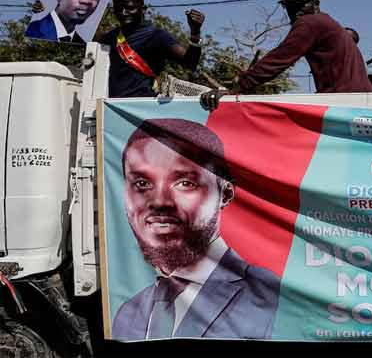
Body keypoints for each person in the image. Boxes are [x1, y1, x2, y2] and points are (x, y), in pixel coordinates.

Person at [112, 118, 280, 340]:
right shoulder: (128, 313)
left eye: (185, 183)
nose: (160, 201)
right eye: (142, 184)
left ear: (225, 194)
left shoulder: (269, 294)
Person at [201, 0, 372, 110]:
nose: (295, 11)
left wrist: (235, 90)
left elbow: (278, 59)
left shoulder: (311, 22)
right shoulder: (326, 22)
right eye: (290, 6)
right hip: (356, 100)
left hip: (347, 103)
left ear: (315, 5)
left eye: (301, 4)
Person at [100, 0, 205, 98]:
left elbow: (190, 63)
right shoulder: (110, 37)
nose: (124, 13)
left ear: (143, 9)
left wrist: (195, 33)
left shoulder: (157, 36)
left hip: (142, 106)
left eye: (130, 8)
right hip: (111, 107)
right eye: (118, 9)